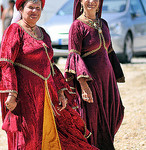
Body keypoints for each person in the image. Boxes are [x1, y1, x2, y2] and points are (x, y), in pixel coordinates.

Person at [0, 0, 100, 149]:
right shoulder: (14, 30)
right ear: (21, 9)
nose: (34, 11)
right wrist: (12, 94)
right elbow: (6, 63)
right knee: (30, 137)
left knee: (61, 133)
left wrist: (60, 91)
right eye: (31, 8)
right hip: (26, 96)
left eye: (38, 8)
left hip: (49, 95)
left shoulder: (43, 33)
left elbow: (51, 64)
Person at [64, 0, 125, 149]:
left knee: (114, 114)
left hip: (107, 80)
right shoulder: (77, 26)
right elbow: (74, 56)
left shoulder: (103, 23)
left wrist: (115, 76)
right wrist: (84, 86)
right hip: (91, 82)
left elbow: (109, 52)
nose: (91, 2)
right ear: (81, 2)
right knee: (92, 120)